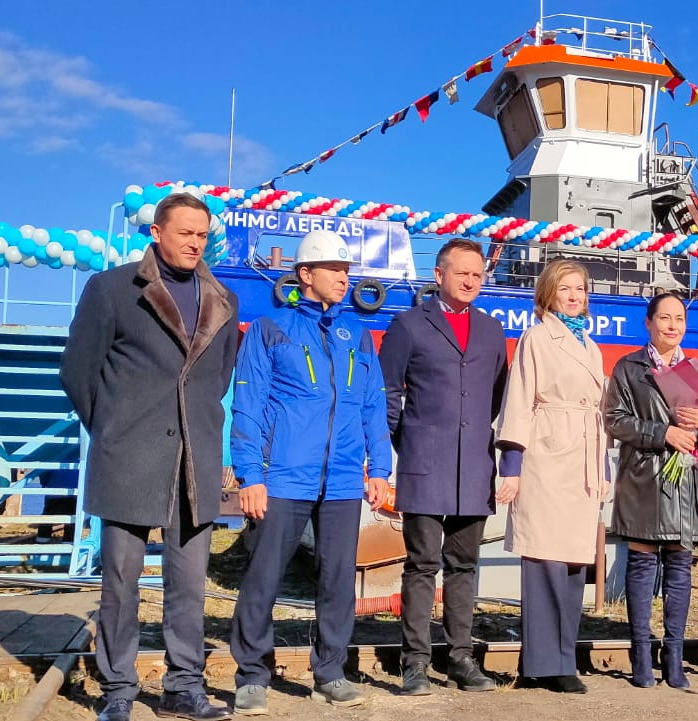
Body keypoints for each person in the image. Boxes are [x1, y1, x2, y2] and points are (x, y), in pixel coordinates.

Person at [60, 192, 237, 721]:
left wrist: (194, 428)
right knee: (121, 581)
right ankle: (118, 689)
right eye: (184, 232)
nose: (194, 242)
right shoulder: (113, 289)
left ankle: (185, 688)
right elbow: (77, 371)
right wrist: (114, 429)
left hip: (195, 461)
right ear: (156, 233)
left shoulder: (222, 298)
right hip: (128, 457)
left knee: (188, 583)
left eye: (202, 234)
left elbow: (217, 376)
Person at [229, 229, 393, 714]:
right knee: (265, 576)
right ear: (306, 275)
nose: (344, 279)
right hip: (282, 477)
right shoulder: (270, 329)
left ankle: (330, 671)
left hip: (343, 479)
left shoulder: (357, 335)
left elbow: (372, 406)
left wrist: (379, 467)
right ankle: (252, 675)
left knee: (338, 579)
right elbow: (249, 404)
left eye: (346, 271)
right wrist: (250, 474)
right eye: (335, 271)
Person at [379, 238, 507, 696]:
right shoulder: (409, 325)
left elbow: (495, 395)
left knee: (464, 566)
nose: (471, 281)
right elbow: (388, 393)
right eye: (462, 273)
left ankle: (460, 658)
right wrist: (407, 441)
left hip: (473, 466)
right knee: (420, 565)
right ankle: (413, 662)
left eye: (477, 274)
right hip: (424, 464)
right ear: (439, 276)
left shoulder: (492, 331)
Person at [496, 258, 608, 694]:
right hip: (547, 455)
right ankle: (547, 665)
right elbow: (519, 399)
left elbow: (596, 411)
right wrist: (512, 465)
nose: (575, 296)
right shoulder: (537, 338)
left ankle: (556, 656)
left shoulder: (591, 346)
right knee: (544, 559)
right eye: (566, 289)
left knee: (573, 563)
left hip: (581, 457)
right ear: (549, 294)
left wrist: (600, 466)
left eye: (580, 288)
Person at [604, 293, 698, 689]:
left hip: (685, 479)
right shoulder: (629, 367)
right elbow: (614, 420)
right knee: (641, 566)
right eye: (664, 318)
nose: (673, 325)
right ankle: (639, 653)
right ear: (649, 323)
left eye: (679, 319)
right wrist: (662, 432)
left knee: (680, 569)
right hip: (643, 477)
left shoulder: (696, 369)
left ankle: (673, 657)